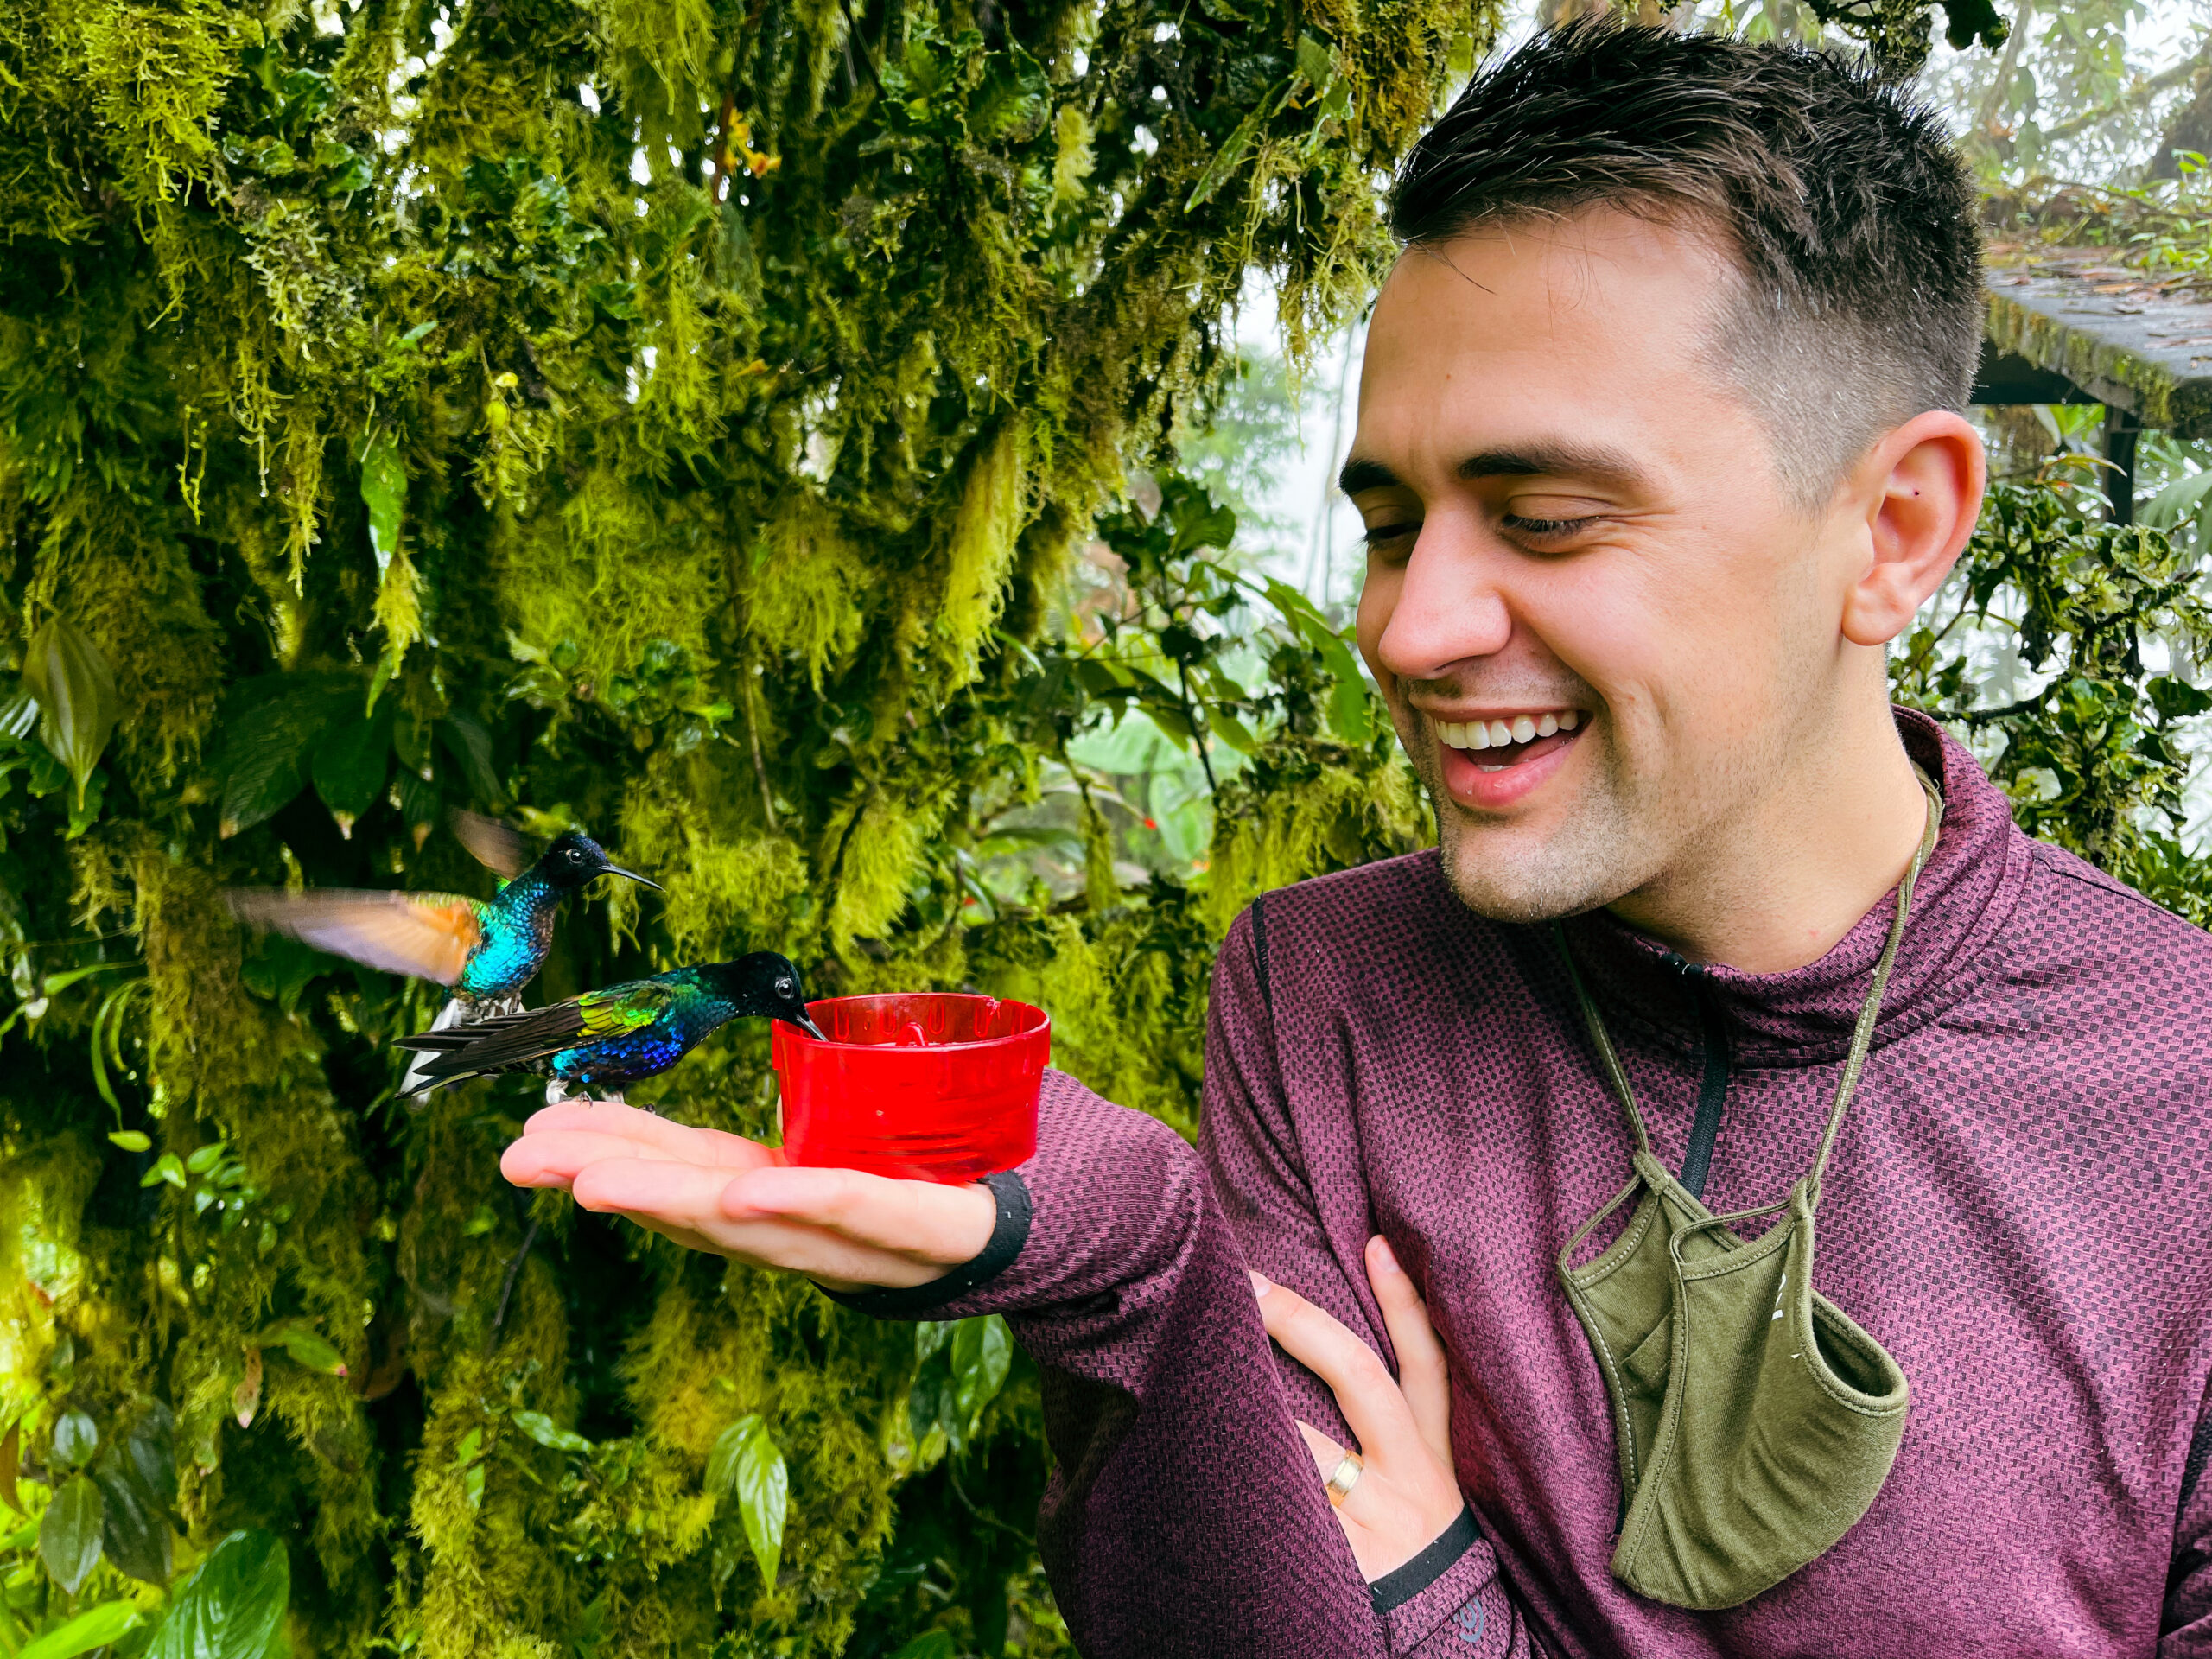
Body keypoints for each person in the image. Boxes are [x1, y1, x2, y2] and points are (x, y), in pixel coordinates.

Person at [501, 22, 2212, 1657]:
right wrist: (1131, 1273)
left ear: (1893, 531)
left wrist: (1453, 1617)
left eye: (1541, 518)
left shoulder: (2181, 1104)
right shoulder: (1322, 993)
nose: (1408, 631)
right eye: (1392, 526)